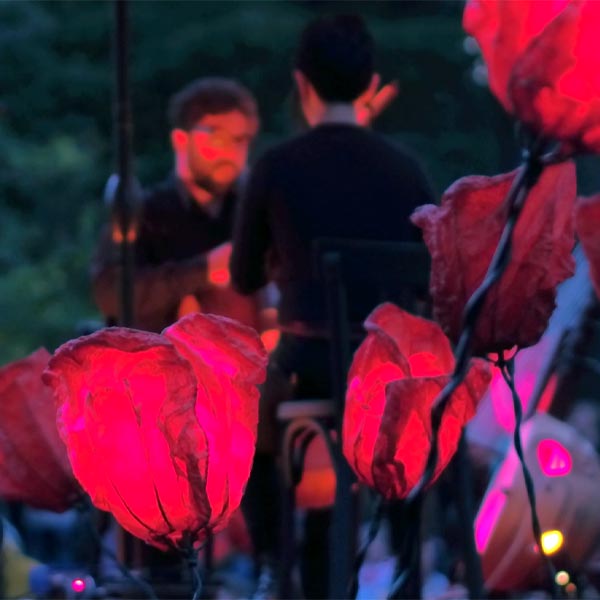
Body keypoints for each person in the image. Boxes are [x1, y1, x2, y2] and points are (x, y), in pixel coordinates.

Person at [230, 14, 435, 599]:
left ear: (302, 84)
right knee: (408, 417)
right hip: (391, 376)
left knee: (248, 421)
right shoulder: (406, 168)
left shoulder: (275, 166)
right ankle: (406, 562)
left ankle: (273, 562)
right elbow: (432, 271)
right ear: (371, 84)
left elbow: (244, 275)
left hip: (308, 366)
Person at [91, 77, 262, 333]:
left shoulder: (251, 212)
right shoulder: (145, 212)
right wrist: (204, 269)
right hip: (161, 366)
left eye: (241, 139)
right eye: (217, 137)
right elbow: (110, 293)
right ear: (181, 139)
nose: (231, 151)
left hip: (247, 368)